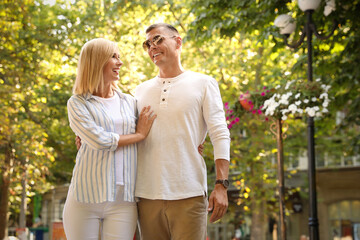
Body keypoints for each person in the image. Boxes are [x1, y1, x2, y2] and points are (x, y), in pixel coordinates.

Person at [135, 23, 231, 240]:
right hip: (145, 195)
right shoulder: (139, 91)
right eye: (147, 44)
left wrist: (221, 185)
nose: (152, 47)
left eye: (158, 39)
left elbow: (220, 133)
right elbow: (123, 130)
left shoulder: (204, 83)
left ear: (178, 41)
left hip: (189, 193)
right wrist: (87, 136)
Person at [62, 38, 156, 240]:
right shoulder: (77, 103)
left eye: (119, 57)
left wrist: (196, 141)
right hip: (85, 198)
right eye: (113, 57)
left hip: (123, 200)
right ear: (97, 61)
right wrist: (138, 135)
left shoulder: (130, 102)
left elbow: (156, 131)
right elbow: (100, 140)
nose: (120, 62)